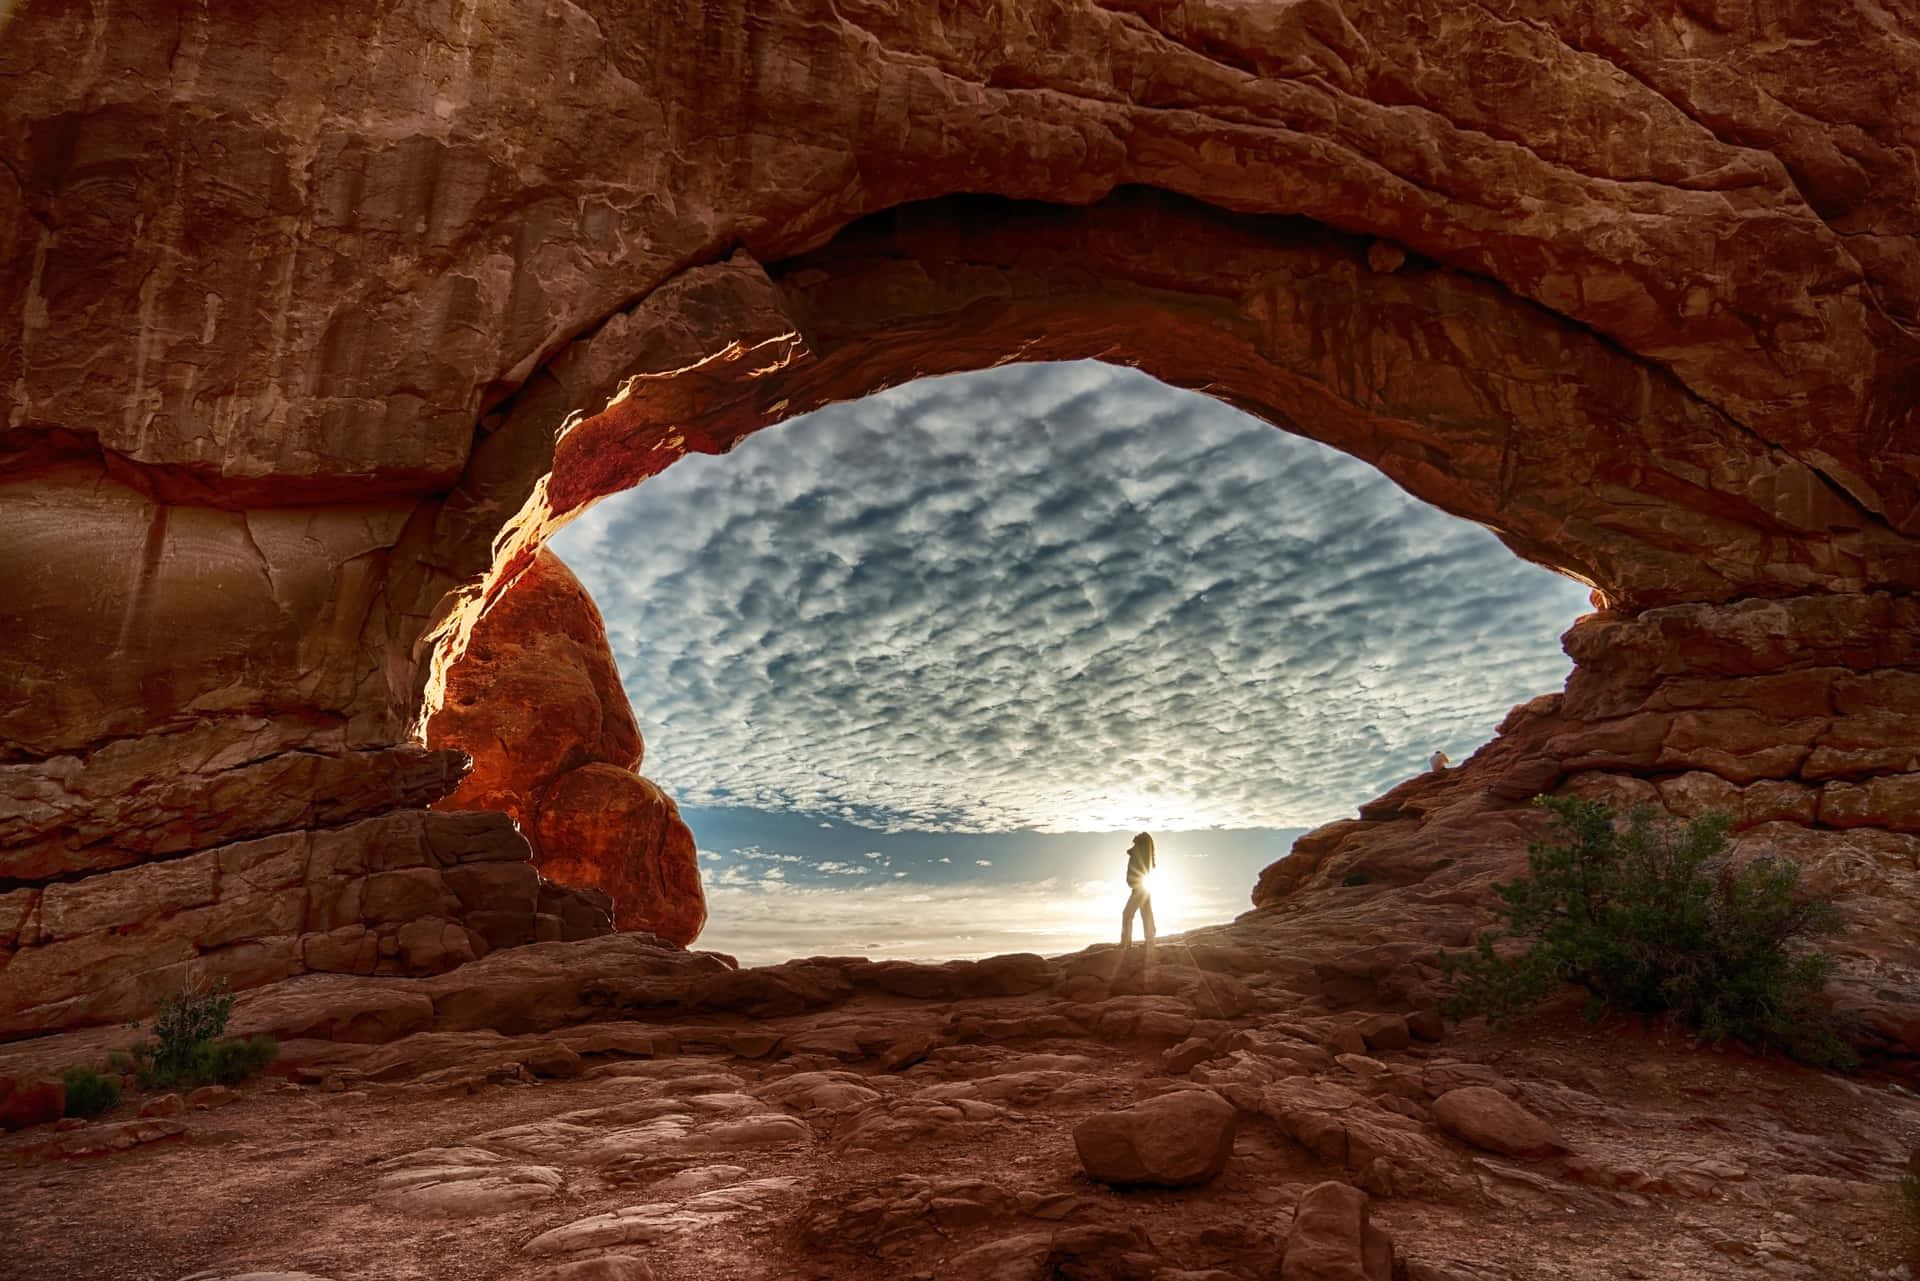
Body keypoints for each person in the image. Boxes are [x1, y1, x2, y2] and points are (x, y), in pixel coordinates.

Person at [1119, 831, 1156, 951]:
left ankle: (1126, 942)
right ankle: (1150, 940)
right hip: (1141, 888)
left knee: (1128, 914)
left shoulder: (1142, 856)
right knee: (1146, 914)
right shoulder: (1142, 856)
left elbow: (1140, 871)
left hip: (1139, 889)